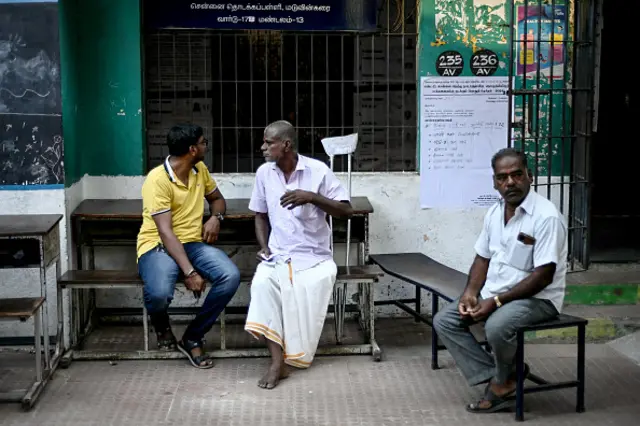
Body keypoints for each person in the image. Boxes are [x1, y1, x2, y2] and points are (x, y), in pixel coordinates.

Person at [433, 147, 567, 413]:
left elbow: (543, 276)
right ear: (494, 182)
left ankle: (502, 382)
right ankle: (502, 378)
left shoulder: (546, 217)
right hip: (497, 294)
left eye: (517, 175)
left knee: (496, 326)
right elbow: (482, 258)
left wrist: (495, 301)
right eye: (502, 177)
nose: (510, 182)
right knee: (445, 321)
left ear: (529, 175)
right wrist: (470, 293)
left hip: (537, 299)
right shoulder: (495, 213)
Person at [244, 120, 353, 389]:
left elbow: (346, 211)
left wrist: (312, 197)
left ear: (286, 144)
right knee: (261, 285)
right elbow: (260, 215)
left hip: (314, 257)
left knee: (307, 286)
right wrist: (264, 246)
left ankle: (292, 355)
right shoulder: (264, 174)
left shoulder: (318, 171)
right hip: (279, 255)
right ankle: (277, 362)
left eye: (269, 142)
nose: (263, 148)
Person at [136, 123, 241, 369]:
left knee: (230, 276)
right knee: (160, 293)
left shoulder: (199, 170)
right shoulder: (157, 179)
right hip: (157, 245)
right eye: (204, 142)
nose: (206, 146)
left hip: (192, 243)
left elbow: (217, 199)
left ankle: (192, 336)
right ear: (193, 149)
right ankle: (162, 327)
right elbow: (165, 231)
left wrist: (216, 218)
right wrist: (190, 272)